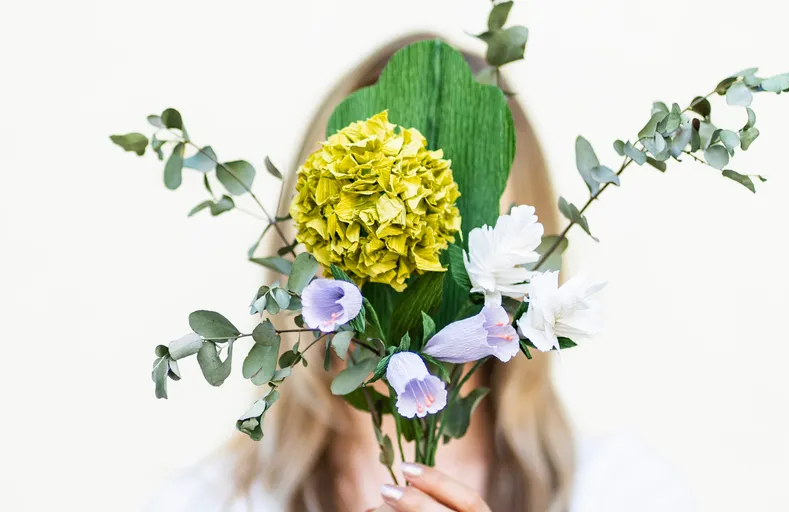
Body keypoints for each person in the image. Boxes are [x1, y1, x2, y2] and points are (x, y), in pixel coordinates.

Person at [147, 34, 696, 512]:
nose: (407, 279)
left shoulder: (626, 493)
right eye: (365, 224)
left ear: (523, 265)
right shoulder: (208, 503)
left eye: (448, 243)